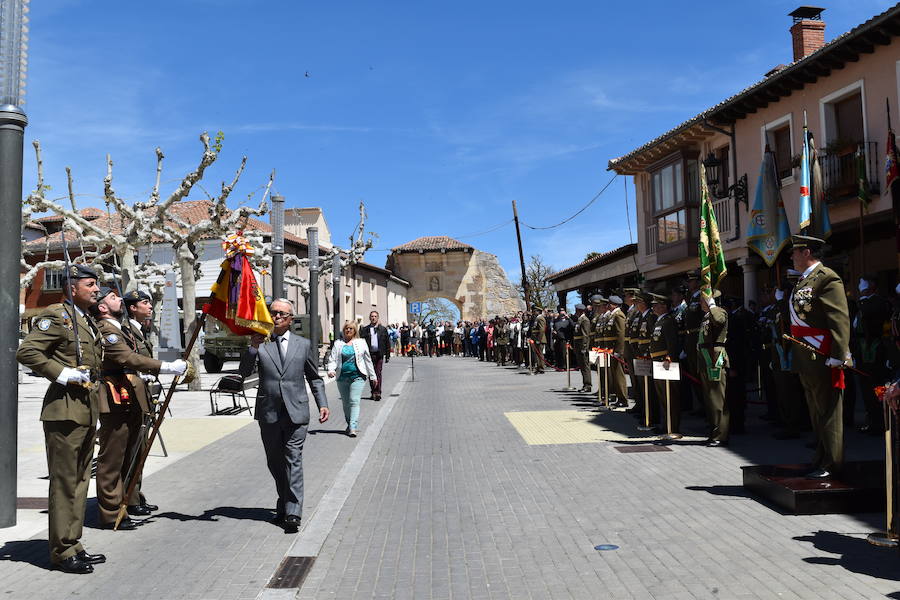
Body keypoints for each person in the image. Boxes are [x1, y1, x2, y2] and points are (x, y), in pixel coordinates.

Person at [16, 265, 106, 574]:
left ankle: (73, 543)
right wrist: (63, 374)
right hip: (64, 411)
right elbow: (27, 352)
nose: (97, 289)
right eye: (90, 284)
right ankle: (62, 551)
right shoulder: (56, 315)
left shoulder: (85, 319)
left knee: (80, 481)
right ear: (72, 287)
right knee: (65, 482)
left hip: (84, 409)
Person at [90, 287, 186, 530]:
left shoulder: (119, 328)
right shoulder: (107, 330)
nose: (119, 299)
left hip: (130, 395)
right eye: (112, 297)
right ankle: (111, 513)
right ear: (102, 307)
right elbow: (127, 359)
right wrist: (165, 367)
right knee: (113, 458)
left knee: (131, 453)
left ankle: (127, 500)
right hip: (114, 396)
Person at [239, 298, 330, 533]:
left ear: (291, 320)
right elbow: (244, 372)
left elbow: (314, 377)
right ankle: (284, 501)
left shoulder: (303, 344)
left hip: (296, 412)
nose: (277, 317)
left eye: (282, 314)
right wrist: (252, 349)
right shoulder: (261, 343)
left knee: (293, 460)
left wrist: (322, 403)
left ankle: (293, 512)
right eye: (273, 313)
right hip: (268, 412)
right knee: (275, 462)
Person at [789, 235, 851, 479]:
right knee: (816, 411)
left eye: (795, 252)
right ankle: (821, 456)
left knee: (829, 410)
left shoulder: (827, 278)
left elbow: (839, 319)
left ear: (807, 253)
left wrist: (838, 355)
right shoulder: (804, 280)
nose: (792, 257)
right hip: (806, 355)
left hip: (822, 354)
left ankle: (832, 462)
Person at [327, 321, 377, 437]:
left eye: (350, 329)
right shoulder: (338, 343)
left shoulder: (361, 342)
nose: (348, 330)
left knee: (354, 401)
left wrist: (373, 376)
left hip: (358, 376)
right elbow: (332, 359)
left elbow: (368, 360)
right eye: (346, 328)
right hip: (342, 377)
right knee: (346, 403)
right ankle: (349, 423)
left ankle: (353, 427)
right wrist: (331, 370)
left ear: (354, 331)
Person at [649, 293, 681, 438]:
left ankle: (672, 427)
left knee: (670, 396)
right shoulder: (659, 321)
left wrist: (670, 357)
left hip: (665, 362)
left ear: (664, 306)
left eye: (656, 305)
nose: (653, 307)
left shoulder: (669, 321)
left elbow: (672, 343)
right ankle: (665, 425)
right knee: (662, 395)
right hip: (658, 362)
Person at [360, 310, 390, 400]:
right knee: (371, 374)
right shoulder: (365, 330)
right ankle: (373, 391)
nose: (373, 318)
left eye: (375, 316)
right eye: (372, 316)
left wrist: (387, 355)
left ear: (378, 318)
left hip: (379, 354)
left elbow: (387, 343)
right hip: (369, 355)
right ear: (370, 318)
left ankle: (378, 392)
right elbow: (361, 343)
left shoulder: (383, 329)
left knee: (378, 373)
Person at [605, 295, 628, 408]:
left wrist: (619, 351)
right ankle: (619, 397)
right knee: (614, 374)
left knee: (619, 374)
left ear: (615, 305)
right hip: (611, 349)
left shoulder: (618, 315)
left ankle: (623, 399)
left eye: (610, 303)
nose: (607, 305)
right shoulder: (612, 315)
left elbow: (620, 334)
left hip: (616, 350)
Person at [573, 304, 592, 393]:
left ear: (581, 311)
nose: (576, 312)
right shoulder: (579, 320)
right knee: (582, 366)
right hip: (578, 345)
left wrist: (584, 347)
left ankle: (588, 385)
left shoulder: (585, 320)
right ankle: (585, 384)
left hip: (582, 346)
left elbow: (585, 335)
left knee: (585, 366)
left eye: (577, 310)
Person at [531, 309, 547, 373]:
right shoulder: (537, 318)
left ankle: (541, 367)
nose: (534, 312)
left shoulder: (540, 318)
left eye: (535, 311)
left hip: (539, 339)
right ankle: (538, 367)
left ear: (539, 312)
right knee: (537, 354)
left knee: (540, 353)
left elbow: (542, 329)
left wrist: (538, 339)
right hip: (536, 338)